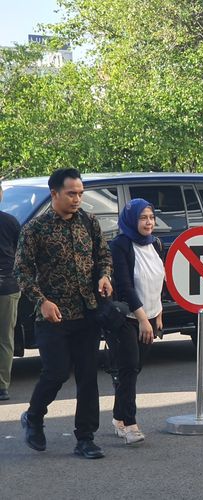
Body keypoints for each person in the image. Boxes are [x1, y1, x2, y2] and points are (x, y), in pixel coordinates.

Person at [14, 167, 113, 459]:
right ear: (54, 193)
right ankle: (33, 417)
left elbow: (103, 256)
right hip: (51, 316)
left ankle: (86, 438)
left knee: (87, 377)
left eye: (81, 193)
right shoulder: (35, 229)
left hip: (86, 313)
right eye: (71, 193)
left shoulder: (89, 222)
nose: (77, 199)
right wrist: (41, 301)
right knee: (56, 372)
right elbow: (22, 270)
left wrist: (105, 275)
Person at [108, 198, 165, 445]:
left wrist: (158, 314)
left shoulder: (156, 244)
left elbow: (157, 282)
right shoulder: (121, 245)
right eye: (143, 218)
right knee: (129, 367)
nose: (148, 222)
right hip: (127, 318)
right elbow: (124, 286)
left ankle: (118, 416)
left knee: (132, 370)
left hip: (151, 317)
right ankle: (130, 424)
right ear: (132, 220)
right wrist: (143, 319)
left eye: (151, 217)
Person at [0, 182, 21, 401]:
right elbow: (20, 252)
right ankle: (2, 386)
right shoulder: (10, 221)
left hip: (7, 284)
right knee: (5, 338)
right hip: (7, 286)